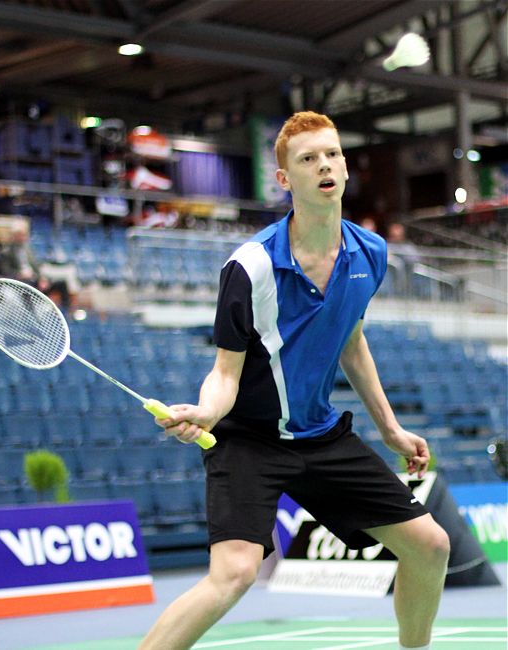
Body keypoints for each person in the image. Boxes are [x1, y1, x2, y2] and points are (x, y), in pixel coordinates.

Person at [139, 112, 450, 650]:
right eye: (307, 159)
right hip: (248, 440)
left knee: (431, 545)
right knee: (232, 575)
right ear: (285, 179)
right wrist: (206, 413)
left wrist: (392, 429)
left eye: (331, 154)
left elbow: (351, 340)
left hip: (320, 434)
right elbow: (224, 371)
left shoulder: (369, 254)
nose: (323, 165)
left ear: (345, 167)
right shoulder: (251, 267)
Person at [0, 223, 72, 310]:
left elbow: (36, 267)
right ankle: (31, 314)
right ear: (14, 235)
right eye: (20, 234)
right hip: (20, 281)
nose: (23, 237)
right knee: (27, 288)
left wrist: (42, 278)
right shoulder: (6, 252)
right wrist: (19, 275)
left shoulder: (28, 249)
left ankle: (66, 311)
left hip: (34, 279)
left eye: (24, 235)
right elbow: (5, 271)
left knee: (61, 283)